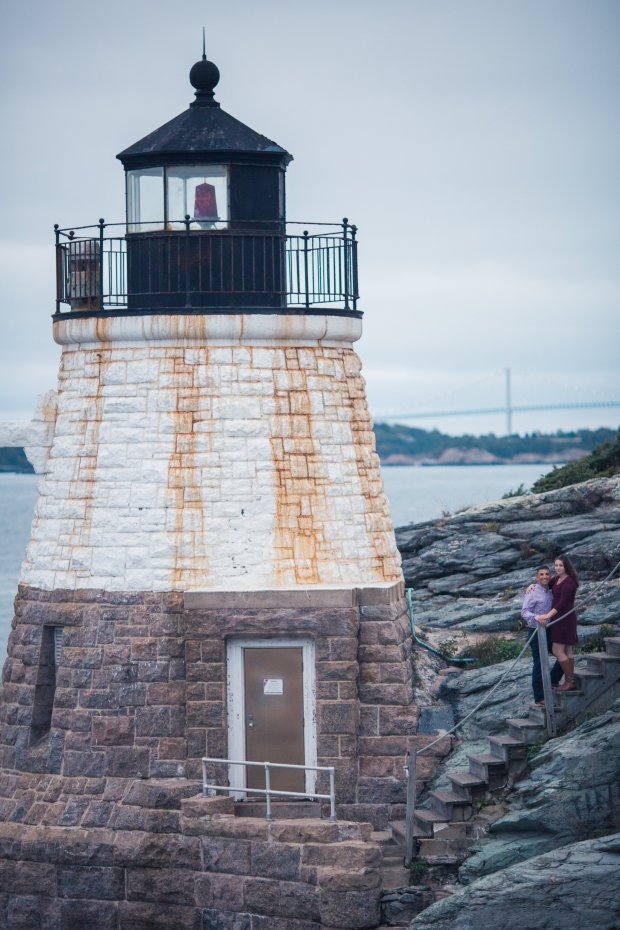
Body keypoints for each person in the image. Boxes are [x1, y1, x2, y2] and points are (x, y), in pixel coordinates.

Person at [537, 555, 580, 692]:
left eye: (560, 565)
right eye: (556, 565)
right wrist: (532, 585)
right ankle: (569, 681)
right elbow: (544, 583)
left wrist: (547, 616)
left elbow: (562, 604)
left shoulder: (569, 583)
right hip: (559, 619)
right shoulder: (556, 579)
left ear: (566, 566)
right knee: (567, 650)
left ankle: (570, 682)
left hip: (564, 620)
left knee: (557, 650)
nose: (558, 568)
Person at [521, 565, 563, 705]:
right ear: (537, 577)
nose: (544, 576)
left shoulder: (551, 592)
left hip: (550, 630)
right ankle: (539, 697)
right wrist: (538, 617)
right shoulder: (532, 592)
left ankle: (552, 680)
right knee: (539, 664)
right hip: (535, 631)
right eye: (541, 574)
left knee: (562, 656)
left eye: (546, 574)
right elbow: (524, 612)